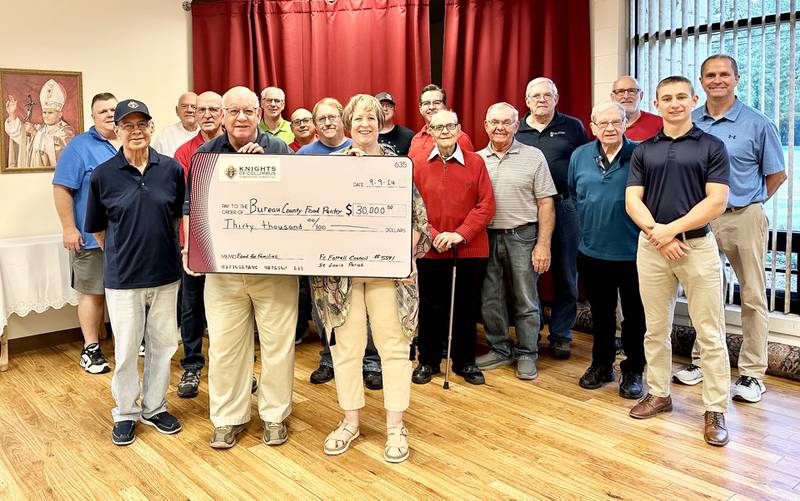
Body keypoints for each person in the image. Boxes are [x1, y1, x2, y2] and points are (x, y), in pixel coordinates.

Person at [312, 94, 431, 463]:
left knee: (393, 348)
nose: (364, 123)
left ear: (381, 123)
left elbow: (418, 221)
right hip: (342, 278)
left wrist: (407, 255)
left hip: (388, 276)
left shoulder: (398, 167)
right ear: (348, 124)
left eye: (371, 117)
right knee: (345, 348)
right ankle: (350, 421)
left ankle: (396, 426)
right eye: (357, 117)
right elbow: (314, 217)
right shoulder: (330, 167)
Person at [182, 86, 297, 449]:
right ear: (223, 116)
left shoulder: (279, 150)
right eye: (234, 112)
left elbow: (295, 205)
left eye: (248, 111)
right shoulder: (205, 154)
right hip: (224, 270)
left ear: (259, 114)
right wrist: (191, 250)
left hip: (274, 269)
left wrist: (258, 168)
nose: (242, 118)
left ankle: (275, 416)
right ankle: (227, 418)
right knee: (225, 347)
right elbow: (194, 208)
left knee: (278, 345)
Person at [673, 55, 787, 403]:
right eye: (710, 75)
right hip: (700, 219)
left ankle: (752, 374)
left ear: (736, 79)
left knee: (753, 296)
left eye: (724, 74)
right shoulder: (689, 122)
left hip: (744, 217)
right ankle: (702, 363)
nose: (717, 80)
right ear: (701, 81)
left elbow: (777, 174)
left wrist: (750, 204)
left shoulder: (757, 123)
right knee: (701, 295)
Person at [625, 75, 731, 446]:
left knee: (711, 333)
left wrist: (671, 230)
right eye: (666, 98)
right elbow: (633, 201)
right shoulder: (643, 150)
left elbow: (716, 201)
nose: (674, 104)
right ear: (656, 104)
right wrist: (659, 233)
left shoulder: (711, 146)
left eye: (681, 97)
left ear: (693, 99)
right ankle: (659, 394)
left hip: (697, 248)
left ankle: (715, 408)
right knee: (655, 329)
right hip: (652, 248)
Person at [85, 99, 185, 446]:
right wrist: (123, 253)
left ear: (151, 128)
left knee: (163, 345)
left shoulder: (171, 170)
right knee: (127, 349)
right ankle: (126, 412)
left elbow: (175, 218)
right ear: (118, 130)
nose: (136, 130)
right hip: (123, 279)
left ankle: (155, 407)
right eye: (128, 125)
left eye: (142, 124)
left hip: (166, 275)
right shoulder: (103, 175)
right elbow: (98, 229)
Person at [297, 98, 383, 389]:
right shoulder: (306, 155)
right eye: (321, 119)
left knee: (364, 309)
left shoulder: (367, 153)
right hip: (322, 247)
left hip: (364, 247)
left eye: (332, 116)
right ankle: (329, 357)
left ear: (341, 119)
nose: (328, 123)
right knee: (324, 309)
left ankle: (370, 362)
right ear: (314, 124)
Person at [411, 109, 496, 386]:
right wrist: (434, 234)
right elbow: (414, 207)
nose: (445, 131)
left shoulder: (476, 162)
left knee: (465, 307)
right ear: (430, 131)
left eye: (450, 126)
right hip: (430, 247)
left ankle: (464, 362)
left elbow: (486, 205)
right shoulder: (417, 163)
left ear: (459, 129)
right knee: (431, 306)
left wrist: (460, 234)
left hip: (468, 249)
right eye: (438, 127)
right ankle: (428, 361)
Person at [567, 101, 645, 399]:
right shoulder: (580, 156)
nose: (610, 128)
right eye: (603, 123)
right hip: (592, 251)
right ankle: (601, 365)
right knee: (600, 314)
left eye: (616, 122)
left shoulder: (640, 154)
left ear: (626, 123)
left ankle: (634, 368)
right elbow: (575, 194)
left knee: (636, 316)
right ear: (593, 126)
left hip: (634, 253)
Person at [475, 103, 556, 381]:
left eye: (506, 122)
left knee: (525, 298)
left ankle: (527, 353)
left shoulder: (534, 156)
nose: (499, 128)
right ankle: (499, 348)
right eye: (494, 122)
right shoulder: (476, 160)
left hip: (523, 235)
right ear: (486, 125)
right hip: (484, 237)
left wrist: (543, 244)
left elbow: (546, 203)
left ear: (516, 125)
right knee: (490, 298)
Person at [516, 77, 589, 359]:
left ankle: (561, 334)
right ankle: (530, 331)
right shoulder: (516, 128)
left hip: (565, 207)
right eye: (535, 96)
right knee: (527, 275)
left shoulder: (572, 126)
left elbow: (584, 163)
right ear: (527, 101)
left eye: (547, 95)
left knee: (566, 273)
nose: (541, 100)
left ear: (556, 98)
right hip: (526, 210)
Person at [52, 92, 120, 374]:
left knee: (126, 292)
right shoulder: (79, 147)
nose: (109, 114)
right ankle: (91, 349)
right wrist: (69, 227)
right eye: (102, 111)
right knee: (92, 293)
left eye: (113, 109)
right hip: (92, 237)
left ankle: (132, 341)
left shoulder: (130, 142)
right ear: (93, 117)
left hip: (127, 240)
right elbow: (61, 188)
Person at [172, 91, 225, 398]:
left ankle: (231, 368)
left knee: (228, 310)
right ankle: (192, 365)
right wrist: (188, 246)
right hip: (194, 243)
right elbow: (184, 202)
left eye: (213, 109)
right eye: (200, 109)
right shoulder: (184, 152)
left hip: (229, 245)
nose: (206, 114)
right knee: (191, 308)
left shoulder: (235, 147)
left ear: (223, 113)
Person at [5, 79, 75, 167]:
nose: (46, 116)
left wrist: (35, 134)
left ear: (60, 114)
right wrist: (12, 115)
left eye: (50, 113)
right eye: (44, 112)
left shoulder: (67, 131)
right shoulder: (39, 128)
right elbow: (19, 135)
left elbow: (60, 149)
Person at [407, 84, 474, 158]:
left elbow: (469, 167)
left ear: (445, 107)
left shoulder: (459, 138)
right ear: (420, 109)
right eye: (426, 103)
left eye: (437, 103)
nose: (432, 107)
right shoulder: (416, 139)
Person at [610, 76, 662, 141]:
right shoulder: (604, 127)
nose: (626, 96)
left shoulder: (660, 124)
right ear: (612, 97)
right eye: (620, 91)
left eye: (632, 91)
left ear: (641, 95)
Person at [152, 92, 198, 157]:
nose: (189, 110)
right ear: (177, 110)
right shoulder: (166, 134)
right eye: (184, 106)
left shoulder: (206, 132)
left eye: (194, 107)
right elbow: (156, 160)